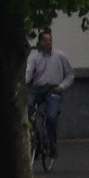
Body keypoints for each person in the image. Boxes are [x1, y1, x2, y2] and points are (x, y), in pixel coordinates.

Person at [24, 27, 75, 164]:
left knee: (51, 117)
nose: (48, 43)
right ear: (40, 42)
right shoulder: (34, 57)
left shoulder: (60, 56)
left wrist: (62, 86)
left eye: (50, 40)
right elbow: (29, 73)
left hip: (53, 90)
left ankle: (52, 145)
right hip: (37, 89)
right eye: (45, 40)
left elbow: (70, 75)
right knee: (28, 107)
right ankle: (31, 137)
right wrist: (23, 83)